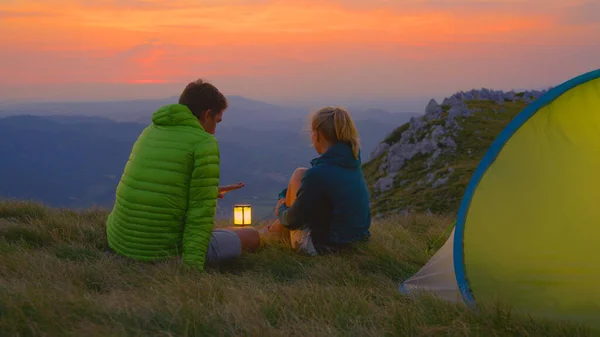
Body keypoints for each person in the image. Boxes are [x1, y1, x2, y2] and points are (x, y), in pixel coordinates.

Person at [106, 79, 260, 270]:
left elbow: (157, 186)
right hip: (163, 253)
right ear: (207, 114)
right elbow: (199, 214)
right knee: (251, 235)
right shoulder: (203, 143)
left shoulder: (149, 131)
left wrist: (208, 190)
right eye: (216, 121)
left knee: (222, 232)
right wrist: (191, 266)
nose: (214, 131)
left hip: (119, 243)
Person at [259, 106, 372, 255]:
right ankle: (269, 232)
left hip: (327, 249)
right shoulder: (351, 163)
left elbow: (292, 221)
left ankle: (266, 234)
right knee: (301, 174)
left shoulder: (319, 174)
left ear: (318, 135)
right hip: (357, 243)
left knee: (298, 175)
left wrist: (280, 207)